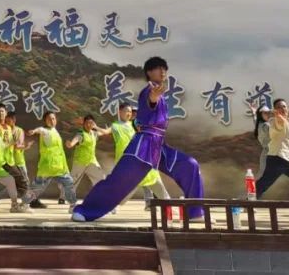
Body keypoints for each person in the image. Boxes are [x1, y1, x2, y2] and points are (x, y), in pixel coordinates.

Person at [72, 56, 204, 223]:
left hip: (159, 146)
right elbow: (150, 101)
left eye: (164, 68)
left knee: (190, 165)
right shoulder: (148, 92)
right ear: (149, 72)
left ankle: (195, 212)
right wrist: (153, 98)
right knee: (119, 180)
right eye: (158, 68)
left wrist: (157, 97)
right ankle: (85, 210)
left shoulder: (161, 94)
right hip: (143, 146)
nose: (162, 71)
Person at [111, 103, 169, 205]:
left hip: (145, 163)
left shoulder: (137, 124)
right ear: (120, 112)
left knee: (160, 189)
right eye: (128, 111)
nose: (130, 114)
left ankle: (171, 207)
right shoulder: (119, 126)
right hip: (131, 167)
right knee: (121, 198)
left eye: (131, 112)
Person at [22, 112, 78, 209]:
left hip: (59, 166)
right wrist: (34, 131)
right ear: (45, 121)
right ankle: (23, 204)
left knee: (69, 183)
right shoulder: (45, 131)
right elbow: (40, 130)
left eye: (53, 119)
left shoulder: (55, 131)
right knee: (37, 187)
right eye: (49, 119)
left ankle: (73, 206)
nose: (52, 121)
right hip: (48, 166)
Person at [67, 114, 110, 192]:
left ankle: (99, 195)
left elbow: (105, 132)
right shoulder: (81, 134)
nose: (88, 125)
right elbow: (75, 140)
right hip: (80, 162)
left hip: (91, 161)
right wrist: (70, 144)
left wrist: (96, 127)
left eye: (91, 123)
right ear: (83, 123)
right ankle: (64, 196)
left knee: (100, 178)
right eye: (87, 123)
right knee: (73, 181)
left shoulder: (94, 133)